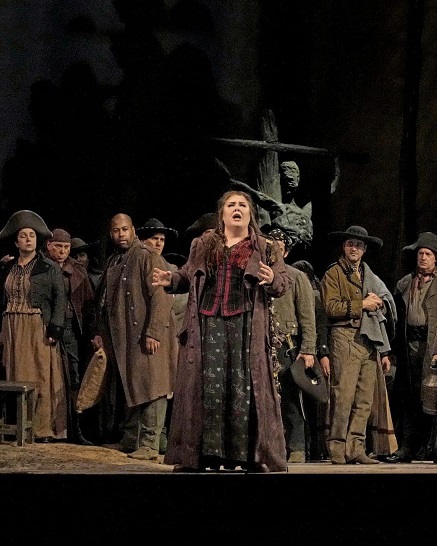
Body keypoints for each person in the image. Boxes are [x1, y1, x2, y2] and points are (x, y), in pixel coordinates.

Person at [152, 190, 290, 473]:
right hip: (207, 323)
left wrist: (272, 278)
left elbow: (283, 283)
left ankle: (248, 457)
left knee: (243, 389)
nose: (236, 209)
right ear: (222, 213)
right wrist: (171, 279)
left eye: (242, 205)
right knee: (208, 389)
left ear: (250, 214)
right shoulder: (204, 244)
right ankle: (205, 457)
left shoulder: (265, 247)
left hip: (246, 325)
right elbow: (187, 275)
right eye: (231, 205)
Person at [92, 213, 176, 461]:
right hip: (126, 336)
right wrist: (101, 333)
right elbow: (104, 301)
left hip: (146, 334)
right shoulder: (115, 260)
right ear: (111, 234)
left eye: (125, 229)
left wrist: (153, 332)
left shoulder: (146, 255)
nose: (121, 234)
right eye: (116, 230)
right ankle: (131, 439)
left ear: (133, 230)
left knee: (152, 385)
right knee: (132, 384)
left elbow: (160, 296)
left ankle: (149, 444)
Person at [320, 225, 397, 465]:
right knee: (343, 396)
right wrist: (362, 304)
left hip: (368, 340)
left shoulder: (369, 276)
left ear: (364, 250)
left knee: (364, 400)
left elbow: (383, 303)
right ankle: (337, 447)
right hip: (345, 336)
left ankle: (356, 447)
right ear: (344, 247)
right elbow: (330, 308)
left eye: (359, 245)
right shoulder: (334, 273)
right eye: (350, 244)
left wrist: (379, 304)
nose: (354, 248)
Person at [0, 210, 68, 442]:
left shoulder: (48, 267)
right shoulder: (7, 268)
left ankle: (42, 429)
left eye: (32, 235)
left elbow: (60, 299)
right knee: (13, 374)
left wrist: (55, 328)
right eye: (23, 236)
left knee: (40, 375)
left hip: (36, 325)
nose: (28, 239)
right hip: (11, 326)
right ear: (16, 242)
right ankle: (17, 425)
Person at [267, 229, 317, 463]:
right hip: (262, 343)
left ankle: (296, 447)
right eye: (270, 248)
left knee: (290, 397)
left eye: (278, 248)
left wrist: (308, 350)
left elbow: (307, 317)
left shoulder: (297, 277)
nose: (274, 252)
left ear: (286, 252)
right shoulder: (258, 274)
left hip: (287, 345)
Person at [387, 232, 437, 463]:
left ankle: (431, 447)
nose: (423, 258)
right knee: (409, 395)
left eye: (428, 254)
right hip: (409, 346)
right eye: (420, 254)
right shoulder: (405, 283)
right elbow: (395, 317)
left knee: (432, 395)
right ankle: (407, 447)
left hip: (431, 344)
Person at [136, 217, 182, 455]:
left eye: (162, 240)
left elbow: (164, 300)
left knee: (157, 384)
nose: (158, 243)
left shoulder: (162, 265)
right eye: (154, 238)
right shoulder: (141, 260)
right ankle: (151, 440)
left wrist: (153, 332)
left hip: (161, 333)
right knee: (147, 383)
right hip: (151, 332)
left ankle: (151, 443)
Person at [46, 228, 96, 445]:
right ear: (49, 246)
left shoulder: (77, 271)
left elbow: (89, 305)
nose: (62, 251)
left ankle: (75, 429)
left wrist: (94, 332)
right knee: (49, 376)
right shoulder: (41, 267)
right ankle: (48, 427)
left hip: (71, 328)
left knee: (74, 377)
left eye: (66, 248)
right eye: (58, 246)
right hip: (45, 327)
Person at [292, 259, 331, 461]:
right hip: (297, 348)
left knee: (312, 400)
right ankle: (309, 448)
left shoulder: (314, 296)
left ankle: (315, 448)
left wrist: (321, 353)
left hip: (308, 351)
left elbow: (319, 325)